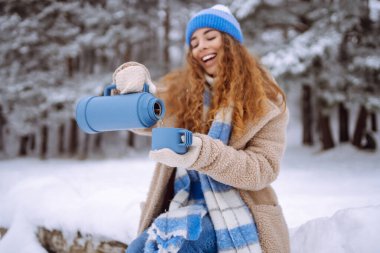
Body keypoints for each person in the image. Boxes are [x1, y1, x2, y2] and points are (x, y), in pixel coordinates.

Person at [113, 4, 290, 253]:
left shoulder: (267, 99)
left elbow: (263, 169)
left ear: (230, 42)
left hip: (237, 211)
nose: (201, 46)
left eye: (210, 37)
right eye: (194, 43)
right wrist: (135, 90)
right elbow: (147, 117)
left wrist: (202, 153)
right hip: (182, 205)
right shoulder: (182, 91)